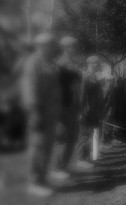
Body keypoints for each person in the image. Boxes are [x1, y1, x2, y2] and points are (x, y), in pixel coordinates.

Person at [21, 33, 62, 196]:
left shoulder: (50, 63)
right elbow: (30, 88)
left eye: (52, 45)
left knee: (47, 146)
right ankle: (34, 181)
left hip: (51, 113)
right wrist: (34, 111)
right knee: (37, 147)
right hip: (39, 112)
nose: (52, 48)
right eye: (49, 45)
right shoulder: (34, 62)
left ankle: (43, 178)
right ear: (41, 46)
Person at [55, 36, 83, 177]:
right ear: (65, 48)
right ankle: (57, 168)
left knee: (72, 138)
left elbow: (77, 87)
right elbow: (55, 88)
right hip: (63, 106)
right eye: (73, 46)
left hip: (72, 106)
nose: (76, 49)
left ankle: (65, 166)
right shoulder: (59, 65)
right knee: (62, 138)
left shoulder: (73, 65)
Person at [75, 55, 104, 169]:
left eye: (98, 63)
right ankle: (81, 159)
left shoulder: (94, 77)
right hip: (86, 110)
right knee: (84, 135)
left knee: (89, 135)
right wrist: (80, 111)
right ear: (90, 64)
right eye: (95, 63)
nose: (97, 65)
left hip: (93, 110)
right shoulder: (85, 76)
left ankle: (86, 158)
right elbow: (81, 94)